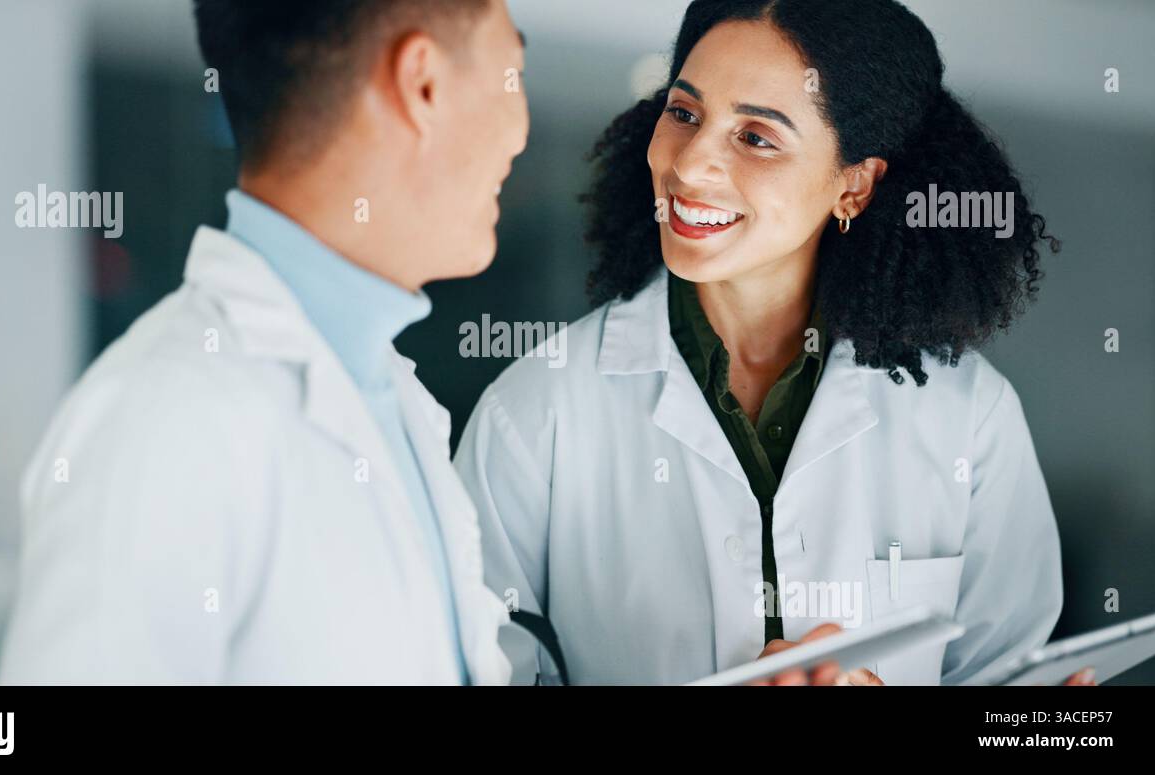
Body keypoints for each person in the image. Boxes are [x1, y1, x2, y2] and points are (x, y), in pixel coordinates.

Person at [454, 0, 1092, 685]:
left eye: (756, 137)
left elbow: (1010, 685)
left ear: (854, 185)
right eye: (684, 113)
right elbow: (460, 666)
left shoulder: (970, 417)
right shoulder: (538, 408)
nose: (691, 165)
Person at [0, 0, 528, 684]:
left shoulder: (391, 398)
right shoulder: (164, 416)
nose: (520, 133)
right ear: (423, 84)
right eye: (513, 71)